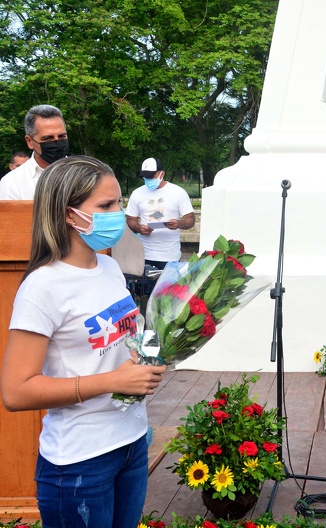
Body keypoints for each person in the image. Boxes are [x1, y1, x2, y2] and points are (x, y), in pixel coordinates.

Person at [0, 156, 167, 528]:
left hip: (133, 443)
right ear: (67, 214)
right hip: (79, 463)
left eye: (120, 202)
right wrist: (111, 383)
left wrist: (158, 350)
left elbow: (131, 334)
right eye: (106, 206)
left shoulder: (108, 267)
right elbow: (16, 392)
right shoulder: (42, 288)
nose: (118, 213)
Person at [126, 157, 195, 270]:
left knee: (168, 288)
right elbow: (130, 220)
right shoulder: (137, 193)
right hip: (144, 254)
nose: (147, 179)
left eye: (151, 176)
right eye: (145, 176)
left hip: (170, 255)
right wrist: (139, 228)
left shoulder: (178, 192)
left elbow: (190, 219)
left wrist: (179, 224)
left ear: (162, 174)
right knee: (144, 287)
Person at [0, 105, 69, 200]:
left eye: (62, 136)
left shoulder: (87, 175)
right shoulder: (12, 184)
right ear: (29, 141)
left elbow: (96, 214)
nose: (57, 142)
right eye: (48, 138)